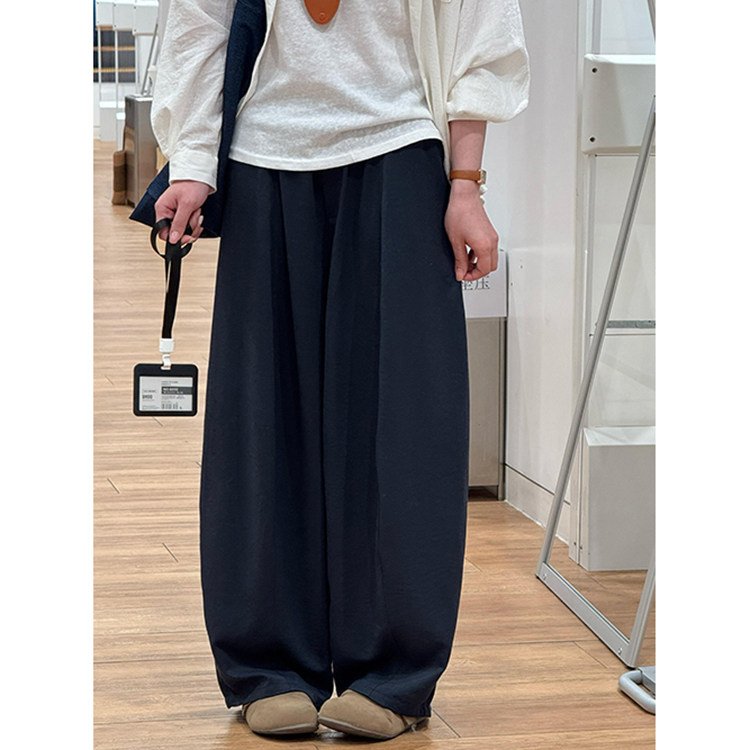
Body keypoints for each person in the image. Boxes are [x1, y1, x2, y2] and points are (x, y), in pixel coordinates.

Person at [151, 0, 529, 740]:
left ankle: (394, 672)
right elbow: (198, 20)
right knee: (264, 424)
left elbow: (480, 26)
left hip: (401, 151)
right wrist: (192, 162)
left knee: (403, 425)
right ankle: (269, 665)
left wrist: (466, 185)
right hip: (264, 158)